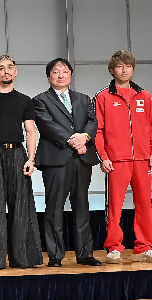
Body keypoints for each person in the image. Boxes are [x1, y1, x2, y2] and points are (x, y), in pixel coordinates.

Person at [94, 50, 152, 263]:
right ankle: (114, 248)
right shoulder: (103, 97)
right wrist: (103, 157)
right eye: (120, 66)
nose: (124, 70)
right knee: (114, 207)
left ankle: (144, 247)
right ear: (112, 70)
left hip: (142, 160)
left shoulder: (144, 95)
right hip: (116, 161)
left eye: (128, 66)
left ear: (133, 69)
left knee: (145, 204)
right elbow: (98, 130)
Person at [0, 55, 42, 269]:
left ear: (15, 71)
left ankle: (23, 258)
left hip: (17, 154)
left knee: (21, 207)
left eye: (10, 67)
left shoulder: (24, 100)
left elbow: (30, 131)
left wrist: (31, 159)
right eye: (1, 68)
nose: (6, 71)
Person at [33, 58, 102, 267]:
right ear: (49, 77)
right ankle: (55, 255)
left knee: (82, 205)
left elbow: (92, 121)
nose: (60, 75)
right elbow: (47, 125)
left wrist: (85, 137)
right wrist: (74, 140)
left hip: (82, 158)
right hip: (56, 158)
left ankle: (85, 253)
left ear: (70, 75)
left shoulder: (83, 98)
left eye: (64, 71)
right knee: (54, 207)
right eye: (56, 72)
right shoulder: (40, 100)